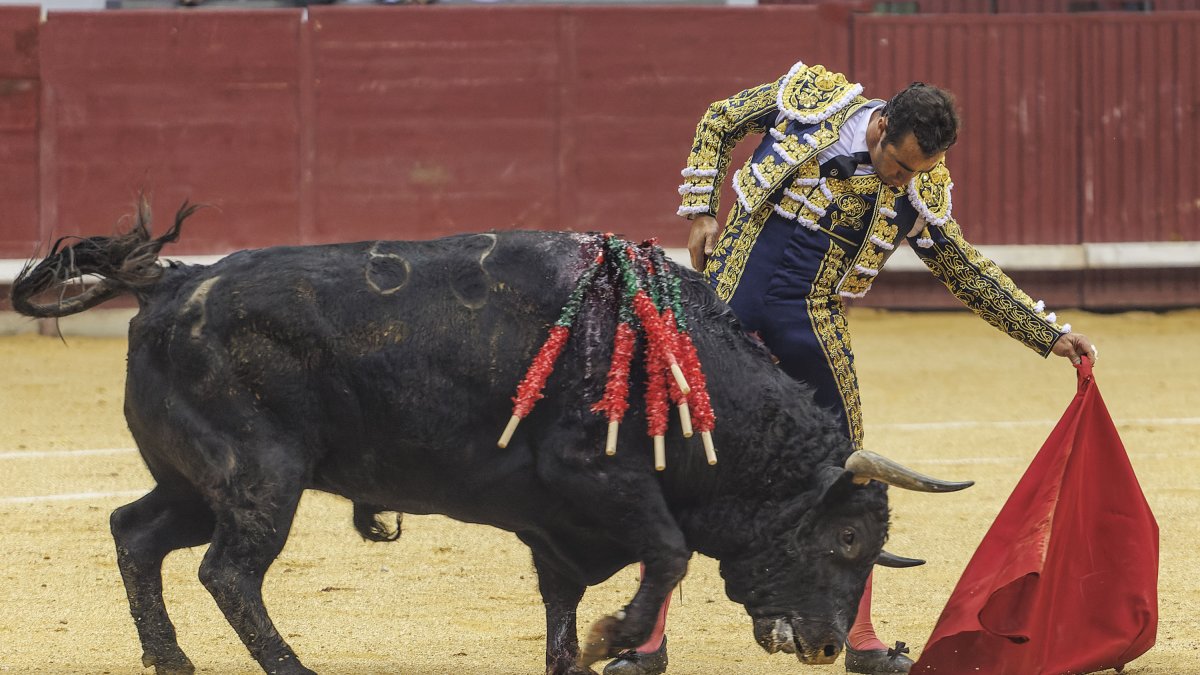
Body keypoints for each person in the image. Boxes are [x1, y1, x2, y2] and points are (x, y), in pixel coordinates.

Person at [603, 61, 1098, 675]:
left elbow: (961, 269)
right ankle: (645, 641)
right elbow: (722, 120)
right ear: (881, 125)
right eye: (901, 164)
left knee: (849, 476)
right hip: (726, 305)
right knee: (678, 452)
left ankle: (861, 638)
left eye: (921, 171)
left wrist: (1046, 333)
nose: (905, 180)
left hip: (811, 321)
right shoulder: (811, 104)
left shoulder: (919, 186)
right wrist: (701, 208)